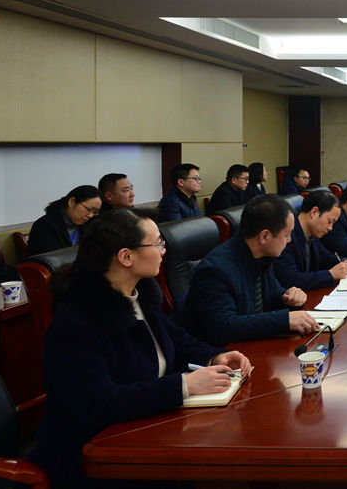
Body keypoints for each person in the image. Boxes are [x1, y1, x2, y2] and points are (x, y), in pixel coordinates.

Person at [29, 209, 252, 487]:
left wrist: (214, 355)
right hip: (95, 458)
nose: (164, 250)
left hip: (149, 429)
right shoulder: (76, 323)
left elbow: (177, 340)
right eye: (157, 243)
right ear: (126, 256)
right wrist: (183, 386)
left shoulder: (140, 294)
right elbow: (97, 403)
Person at [181, 194, 320, 345]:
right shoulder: (215, 270)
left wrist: (290, 298)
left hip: (255, 343)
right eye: (286, 234)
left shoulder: (261, 256)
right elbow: (223, 327)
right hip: (223, 353)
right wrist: (284, 320)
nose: (289, 240)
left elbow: (272, 294)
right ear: (264, 236)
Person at [274, 190, 347, 291]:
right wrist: (330, 275)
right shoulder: (287, 237)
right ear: (314, 212)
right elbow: (290, 279)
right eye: (329, 221)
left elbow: (325, 257)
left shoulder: (312, 233)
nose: (330, 228)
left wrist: (345, 262)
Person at [27, 185, 101, 256]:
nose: (90, 215)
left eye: (95, 212)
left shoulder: (87, 224)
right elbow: (49, 259)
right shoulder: (45, 225)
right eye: (88, 209)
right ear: (72, 202)